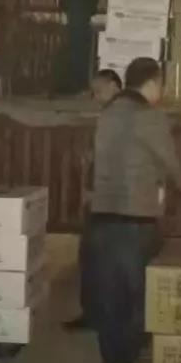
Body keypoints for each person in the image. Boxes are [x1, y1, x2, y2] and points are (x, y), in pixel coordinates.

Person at [84, 58, 181, 363]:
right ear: (153, 83)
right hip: (135, 218)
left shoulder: (107, 114)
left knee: (110, 295)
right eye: (161, 85)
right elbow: (170, 162)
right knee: (138, 295)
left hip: (102, 216)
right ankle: (127, 362)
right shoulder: (150, 116)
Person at [63, 68, 123, 332]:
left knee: (97, 259)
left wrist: (96, 193)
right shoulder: (114, 114)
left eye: (99, 90)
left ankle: (98, 315)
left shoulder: (119, 115)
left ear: (114, 86)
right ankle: (97, 313)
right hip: (105, 198)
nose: (95, 96)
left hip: (109, 201)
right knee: (94, 258)